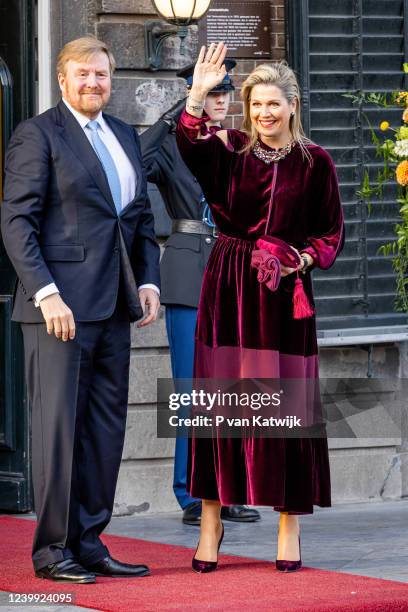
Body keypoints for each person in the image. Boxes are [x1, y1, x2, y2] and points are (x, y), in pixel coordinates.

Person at [176, 42, 345, 573]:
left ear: (293, 105)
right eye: (256, 106)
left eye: (274, 104)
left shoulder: (316, 163)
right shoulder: (228, 148)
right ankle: (210, 520)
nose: (264, 114)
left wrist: (302, 257)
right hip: (228, 285)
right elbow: (189, 142)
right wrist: (198, 95)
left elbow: (331, 233)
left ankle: (288, 524)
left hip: (284, 297)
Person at [1, 36, 160, 583]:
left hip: (115, 306)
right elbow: (16, 222)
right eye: (83, 75)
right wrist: (46, 294)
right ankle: (51, 552)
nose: (93, 83)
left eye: (102, 75)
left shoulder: (122, 135)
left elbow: (137, 220)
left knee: (104, 431)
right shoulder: (38, 135)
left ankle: (90, 543)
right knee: (58, 431)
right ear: (62, 79)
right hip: (58, 311)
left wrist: (150, 284)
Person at [140, 60, 260, 527]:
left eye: (224, 94)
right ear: (195, 94)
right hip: (190, 270)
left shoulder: (236, 146)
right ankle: (190, 492)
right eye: (212, 93)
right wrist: (178, 111)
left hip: (236, 272)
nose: (221, 101)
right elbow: (136, 156)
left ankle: (227, 489)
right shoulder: (171, 144)